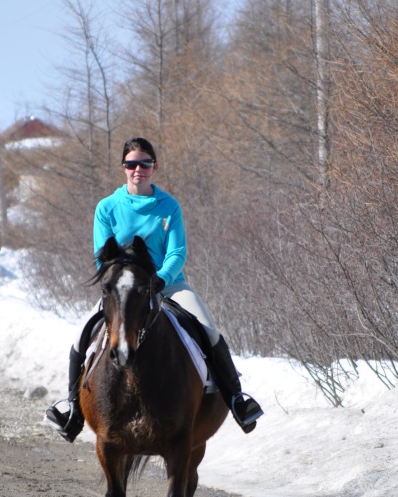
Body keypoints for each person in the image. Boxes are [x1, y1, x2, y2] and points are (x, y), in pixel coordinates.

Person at [45, 137, 263, 442]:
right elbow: (103, 253)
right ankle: (72, 409)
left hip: (168, 285)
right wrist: (128, 283)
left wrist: (158, 280)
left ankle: (237, 400)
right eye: (131, 164)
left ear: (154, 167)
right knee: (82, 336)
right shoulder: (107, 207)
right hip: (123, 290)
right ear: (123, 168)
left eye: (144, 164)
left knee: (209, 330)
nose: (138, 170)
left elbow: (177, 252)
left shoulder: (169, 206)